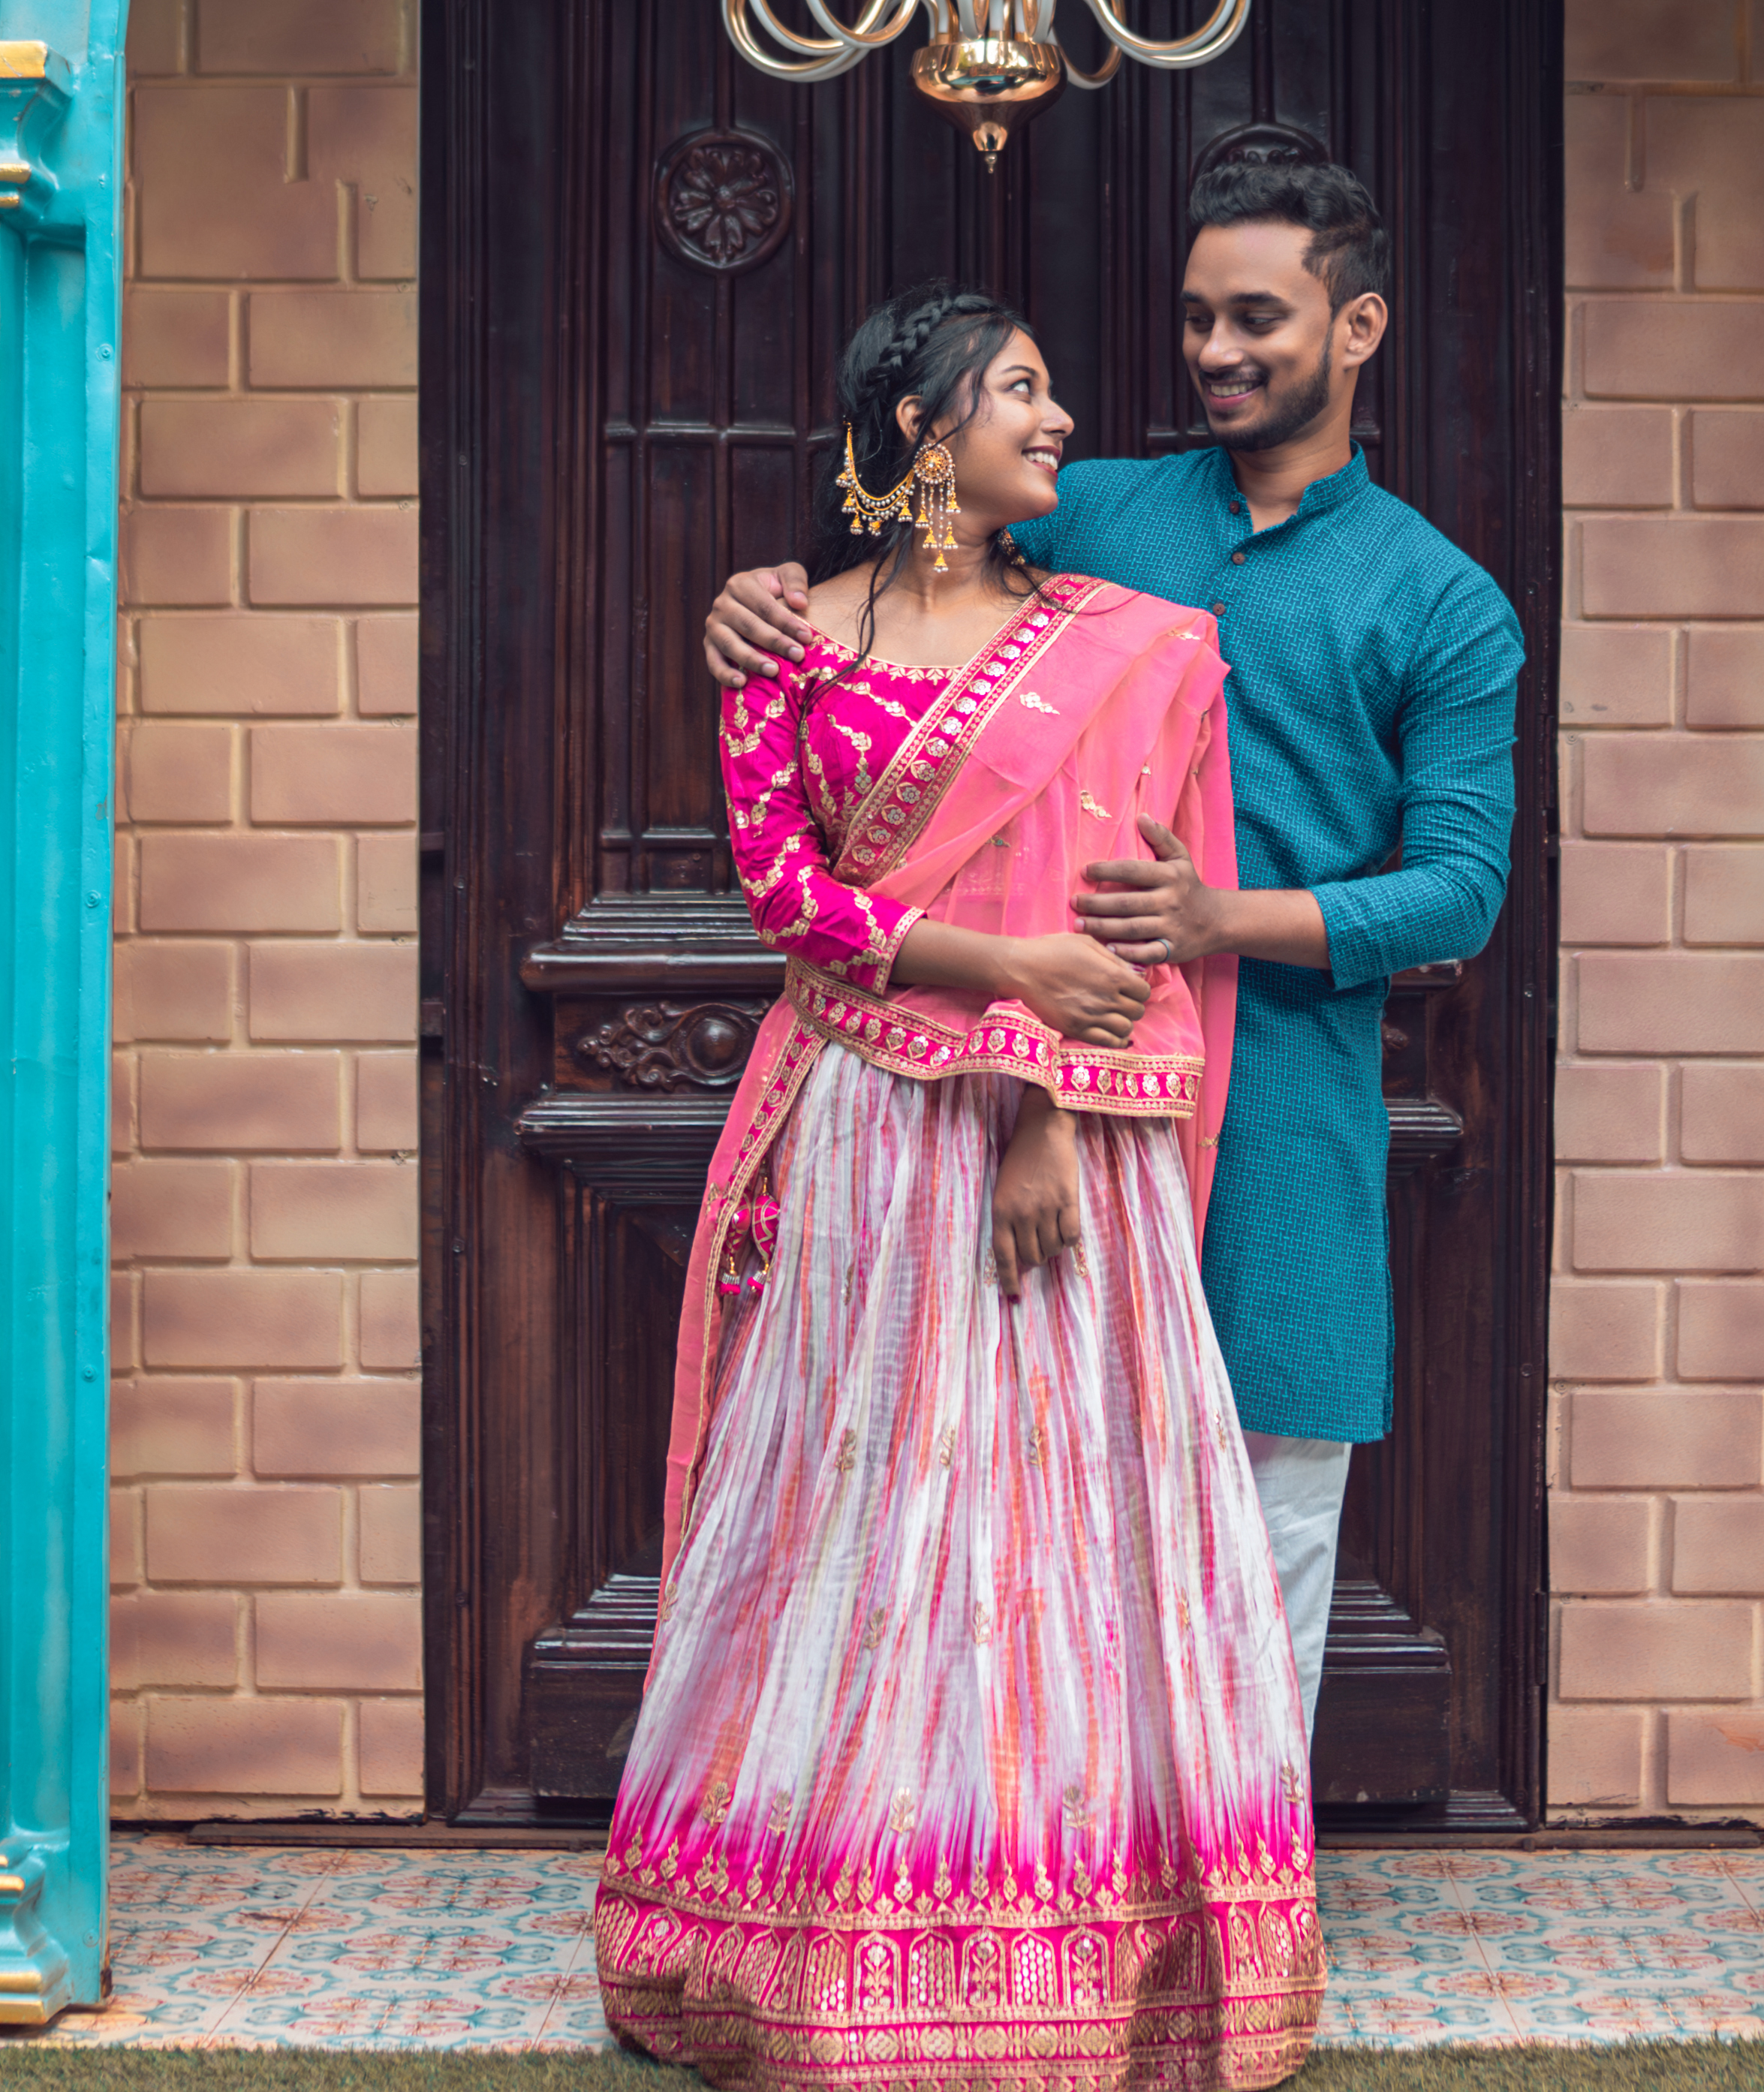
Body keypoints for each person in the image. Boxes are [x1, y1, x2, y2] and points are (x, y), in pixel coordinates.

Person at [701, 158, 1525, 1761]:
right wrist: (762, 590)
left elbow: (1460, 889)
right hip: (1041, 1095)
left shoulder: (1438, 598)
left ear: (1357, 326)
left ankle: (1241, 1908)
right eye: (1197, 315)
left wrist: (1230, 920)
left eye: (1257, 317)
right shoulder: (1104, 506)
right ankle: (1048, 1893)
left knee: (1266, 1500)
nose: (1214, 349)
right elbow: (905, 544)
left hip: (1279, 1102)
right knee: (1035, 1503)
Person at [598, 284, 1321, 2092]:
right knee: (867, 1499)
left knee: (1057, 1513)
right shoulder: (789, 643)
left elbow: (1140, 910)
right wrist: (997, 978)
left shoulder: (1134, 643)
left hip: (1059, 1147)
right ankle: (826, 1937)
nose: (1061, 417)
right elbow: (793, 904)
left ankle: (1094, 1960)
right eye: (1019, 390)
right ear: (923, 430)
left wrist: (1047, 1106)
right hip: (862, 1123)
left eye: (1055, 391)